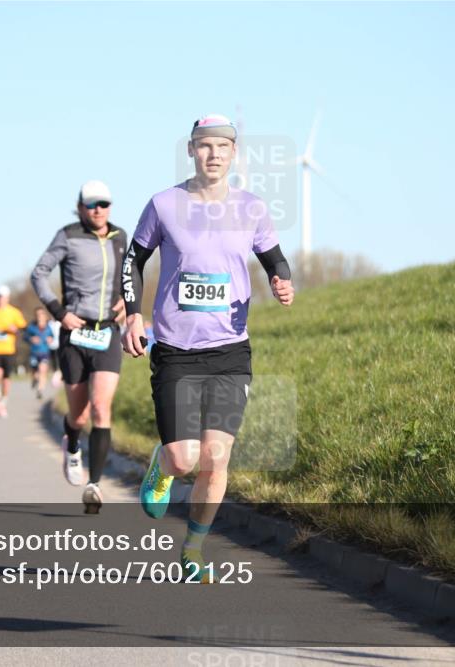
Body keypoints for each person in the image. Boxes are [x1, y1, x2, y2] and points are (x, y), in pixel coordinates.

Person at [122, 114, 294, 582]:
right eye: (204, 146)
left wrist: (283, 280)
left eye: (222, 146)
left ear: (234, 153)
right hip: (176, 347)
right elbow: (132, 260)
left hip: (230, 350)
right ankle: (161, 462)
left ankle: (194, 548)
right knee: (184, 459)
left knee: (217, 457)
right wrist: (134, 314)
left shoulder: (251, 208)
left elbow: (274, 258)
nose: (213, 154)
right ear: (191, 151)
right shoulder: (163, 204)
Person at [32, 180, 128, 513]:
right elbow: (39, 274)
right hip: (75, 334)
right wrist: (59, 312)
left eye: (104, 203)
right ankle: (72, 443)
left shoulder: (120, 238)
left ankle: (94, 485)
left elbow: (130, 278)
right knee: (79, 413)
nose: (98, 210)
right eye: (91, 204)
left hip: (108, 334)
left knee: (101, 408)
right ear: (80, 207)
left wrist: (128, 304)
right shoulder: (68, 235)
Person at [0, 285, 28, 419]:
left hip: (9, 349)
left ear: (7, 298)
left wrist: (15, 329)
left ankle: (3, 402)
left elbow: (23, 328)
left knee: (6, 379)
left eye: (1, 297)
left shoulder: (14, 312)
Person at [24, 307, 55, 398]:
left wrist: (50, 339)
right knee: (35, 372)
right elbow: (25, 337)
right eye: (37, 315)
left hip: (44, 352)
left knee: (43, 370)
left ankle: (40, 390)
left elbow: (52, 336)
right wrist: (30, 339)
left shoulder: (49, 327)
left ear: (45, 316)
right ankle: (34, 380)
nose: (39, 317)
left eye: (41, 315)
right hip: (34, 353)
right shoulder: (31, 327)